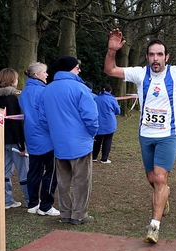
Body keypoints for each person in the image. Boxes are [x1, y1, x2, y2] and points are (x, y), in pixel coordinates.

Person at [104, 22, 176, 244]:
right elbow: (110, 70)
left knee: (161, 177)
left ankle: (154, 226)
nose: (156, 58)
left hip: (167, 135)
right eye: (152, 55)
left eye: (160, 54)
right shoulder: (138, 74)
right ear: (147, 57)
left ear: (167, 56)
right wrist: (112, 51)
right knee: (153, 179)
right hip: (145, 135)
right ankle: (164, 195)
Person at [39, 56, 99, 224]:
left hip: (59, 143)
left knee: (63, 180)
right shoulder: (81, 89)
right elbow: (91, 117)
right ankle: (79, 214)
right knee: (82, 180)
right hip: (80, 143)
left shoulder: (47, 90)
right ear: (71, 68)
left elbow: (43, 119)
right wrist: (91, 134)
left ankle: (65, 213)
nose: (79, 70)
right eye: (77, 67)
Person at [0, 68, 30, 209]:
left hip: (2, 138)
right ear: (11, 81)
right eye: (15, 79)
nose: (17, 81)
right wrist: (21, 145)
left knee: (4, 171)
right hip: (13, 140)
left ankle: (6, 200)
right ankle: (31, 201)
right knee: (24, 172)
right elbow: (14, 123)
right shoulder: (11, 99)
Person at [18, 62, 60, 216]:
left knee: (34, 171)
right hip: (45, 138)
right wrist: (55, 130)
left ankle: (33, 203)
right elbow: (44, 116)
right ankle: (46, 206)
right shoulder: (43, 91)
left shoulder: (24, 92)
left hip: (32, 136)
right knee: (51, 171)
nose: (47, 75)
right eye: (44, 72)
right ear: (36, 75)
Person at [92, 84, 121, 164]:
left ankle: (93, 156)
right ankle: (104, 158)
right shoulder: (112, 99)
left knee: (97, 140)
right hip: (109, 123)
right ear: (110, 91)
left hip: (98, 122)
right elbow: (117, 111)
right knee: (107, 140)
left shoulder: (96, 99)